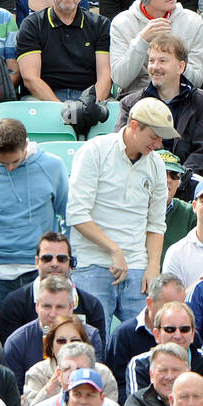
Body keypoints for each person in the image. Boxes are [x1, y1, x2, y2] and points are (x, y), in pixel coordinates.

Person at [67, 98, 171, 322]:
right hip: (92, 263)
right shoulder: (95, 150)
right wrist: (115, 250)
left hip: (138, 267)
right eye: (154, 136)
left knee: (145, 341)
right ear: (134, 126)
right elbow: (77, 214)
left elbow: (156, 224)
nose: (158, 144)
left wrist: (153, 266)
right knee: (92, 344)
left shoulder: (157, 165)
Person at [0, 119, 69, 304]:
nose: (10, 167)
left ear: (26, 145)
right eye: (3, 163)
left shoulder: (52, 166)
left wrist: (64, 262)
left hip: (39, 270)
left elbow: (68, 216)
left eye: (15, 161)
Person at [116, 32, 203, 179]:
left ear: (181, 66)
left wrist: (177, 178)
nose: (155, 67)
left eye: (162, 61)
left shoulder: (202, 102)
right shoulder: (131, 103)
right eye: (151, 61)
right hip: (143, 180)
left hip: (187, 182)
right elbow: (123, 147)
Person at [15, 0, 111, 102]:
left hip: (88, 97)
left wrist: (90, 106)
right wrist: (61, 108)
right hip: (44, 99)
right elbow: (30, 78)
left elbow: (105, 76)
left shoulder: (100, 25)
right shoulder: (32, 25)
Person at [0, 232, 106, 346]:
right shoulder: (15, 302)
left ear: (70, 263)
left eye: (61, 258)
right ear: (37, 262)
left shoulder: (92, 305)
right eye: (47, 258)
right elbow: (11, 352)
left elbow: (96, 356)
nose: (54, 264)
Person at [109, 0, 203, 93]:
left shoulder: (193, 21)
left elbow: (197, 80)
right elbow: (120, 79)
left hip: (181, 96)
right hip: (137, 98)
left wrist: (173, 58)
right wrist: (141, 41)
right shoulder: (122, 23)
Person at [103, 273, 187, 403]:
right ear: (149, 303)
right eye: (168, 306)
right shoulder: (124, 334)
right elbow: (116, 385)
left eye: (180, 306)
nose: (174, 312)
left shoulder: (186, 333)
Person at [122, 302, 203, 402]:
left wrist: (160, 398)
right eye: (170, 329)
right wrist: (197, 396)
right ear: (157, 334)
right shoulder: (139, 364)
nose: (177, 335)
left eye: (184, 329)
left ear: (193, 334)